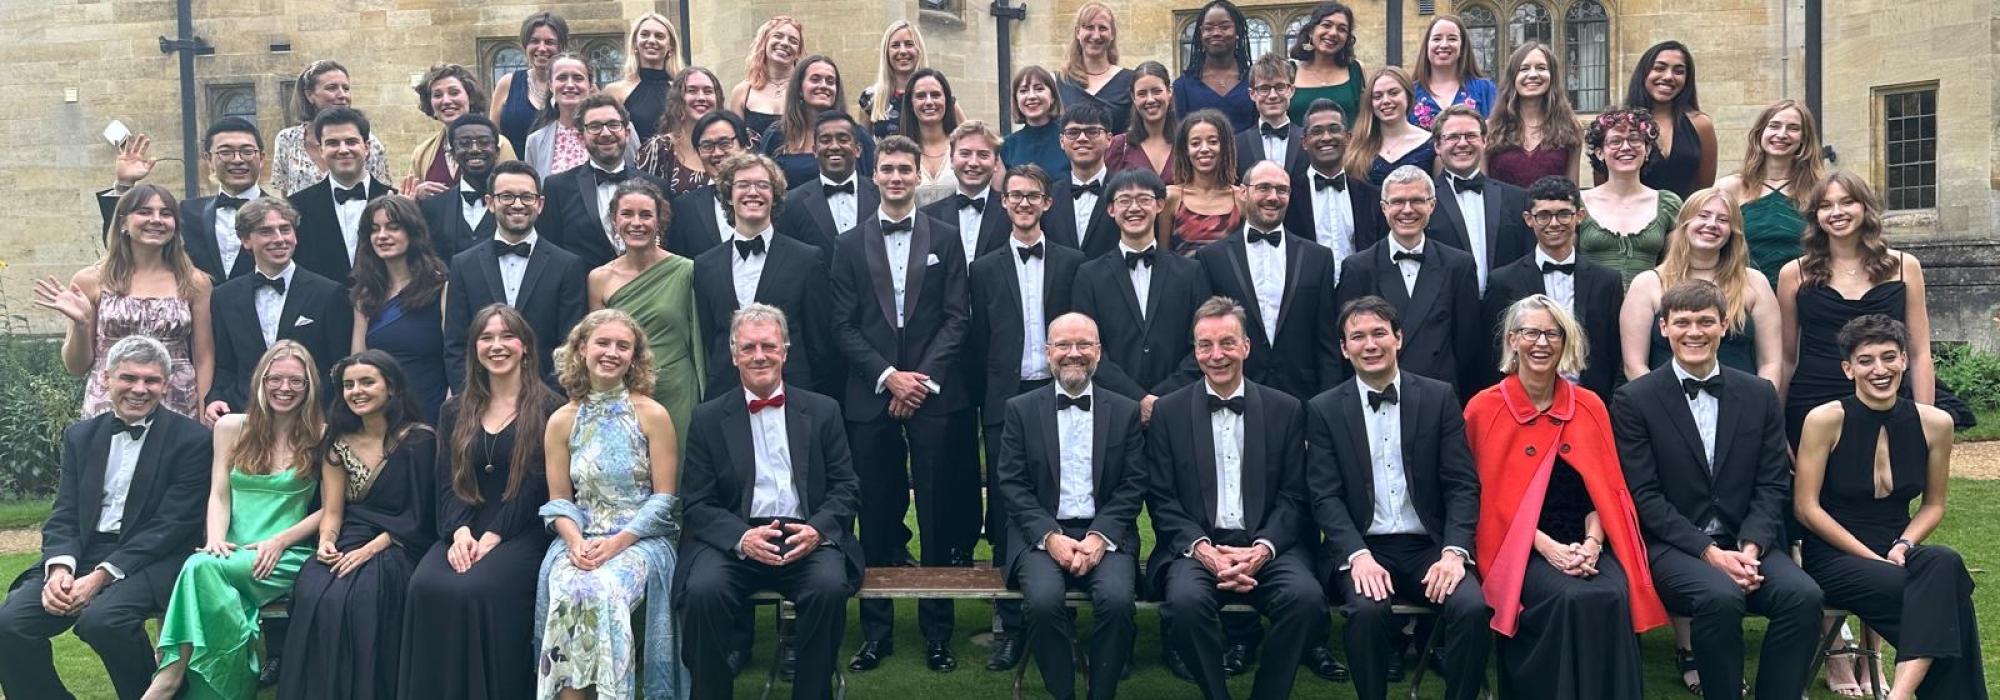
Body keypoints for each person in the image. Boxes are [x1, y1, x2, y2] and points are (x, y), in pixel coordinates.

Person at [1612, 280, 1825, 700]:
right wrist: (1709, 553)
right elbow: (1644, 495)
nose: (1695, 332)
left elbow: (1771, 483)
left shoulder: (1759, 394)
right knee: (1719, 596)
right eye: (1683, 322)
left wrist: (1748, 549)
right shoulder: (1633, 400)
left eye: (1706, 321)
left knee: (1804, 595)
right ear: (1663, 328)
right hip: (1673, 546)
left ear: (1724, 326)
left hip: (1746, 542)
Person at [1466, 295, 1666, 698]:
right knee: (1568, 596)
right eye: (1531, 333)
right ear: (1512, 340)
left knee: (1611, 592)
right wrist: (1548, 548)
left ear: (1565, 342)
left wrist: (1592, 544)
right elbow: (1483, 502)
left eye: (1553, 334)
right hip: (1519, 547)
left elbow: (1604, 491)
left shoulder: (1590, 406)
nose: (1542, 343)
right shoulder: (1483, 409)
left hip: (1584, 538)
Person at [827, 135, 977, 673]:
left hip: (936, 398)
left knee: (936, 514)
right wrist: (889, 377)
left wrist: (921, 380)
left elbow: (958, 316)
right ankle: (877, 632)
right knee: (877, 514)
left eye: (904, 170)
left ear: (919, 176)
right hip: (870, 396)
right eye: (886, 169)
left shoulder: (947, 237)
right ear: (875, 176)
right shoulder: (848, 244)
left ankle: (939, 631)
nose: (895, 177)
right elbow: (842, 325)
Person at [0, 337, 210, 700]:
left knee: (103, 621)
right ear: (106, 379)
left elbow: (171, 526)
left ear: (166, 384)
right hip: (85, 551)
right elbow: (64, 513)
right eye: (129, 378)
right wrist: (60, 570)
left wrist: (98, 578)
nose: (140, 389)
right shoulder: (81, 436)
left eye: (152, 380)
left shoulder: (192, 440)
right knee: (10, 624)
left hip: (155, 558)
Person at [1794, 315, 1987, 699]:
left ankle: (1898, 693)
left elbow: (1933, 505)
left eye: (1889, 357)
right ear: (1849, 369)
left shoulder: (1936, 423)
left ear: (1904, 361)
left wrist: (1903, 545)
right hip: (1834, 554)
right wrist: (1869, 557)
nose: (1879, 370)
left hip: (1897, 549)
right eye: (1866, 360)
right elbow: (1806, 509)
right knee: (1948, 602)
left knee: (1945, 562)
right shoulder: (1825, 420)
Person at [678, 304, 864, 700]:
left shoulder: (823, 410)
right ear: (733, 355)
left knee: (828, 587)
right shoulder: (708, 418)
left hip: (804, 534)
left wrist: (817, 530)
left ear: (785, 351)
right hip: (736, 538)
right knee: (703, 591)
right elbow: (696, 502)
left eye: (768, 346)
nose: (759, 356)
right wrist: (741, 539)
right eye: (748, 348)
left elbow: (846, 486)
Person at [1308, 296, 1489, 700]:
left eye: (1378, 333)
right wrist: (1356, 555)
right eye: (1357, 337)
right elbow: (1324, 496)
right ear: (1343, 348)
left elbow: (1462, 484)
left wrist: (1455, 552)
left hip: (1429, 546)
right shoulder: (1323, 410)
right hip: (1365, 547)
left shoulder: (1439, 397)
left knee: (1472, 608)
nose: (1370, 345)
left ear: (1398, 338)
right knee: (1367, 611)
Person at [1146, 296, 1327, 700]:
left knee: (1306, 599)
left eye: (1227, 343)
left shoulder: (1286, 409)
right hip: (1198, 547)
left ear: (1246, 346)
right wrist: (1206, 551)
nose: (1217, 355)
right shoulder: (1168, 413)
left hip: (1266, 544)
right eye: (1205, 345)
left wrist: (1262, 550)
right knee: (1185, 605)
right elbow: (1161, 499)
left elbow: (1295, 495)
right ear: (1194, 352)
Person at [143, 341, 323, 700]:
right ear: (261, 380)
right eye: (275, 379)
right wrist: (215, 538)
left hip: (283, 554)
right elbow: (219, 494)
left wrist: (281, 540)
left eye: (296, 382)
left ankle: (167, 680)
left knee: (198, 570)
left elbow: (332, 509)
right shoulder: (230, 427)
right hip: (230, 549)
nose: (284, 388)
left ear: (309, 387)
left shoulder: (321, 434)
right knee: (209, 574)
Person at [398, 305, 557, 700]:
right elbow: (447, 482)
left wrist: (493, 537)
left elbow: (537, 488)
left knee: (476, 589)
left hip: (521, 529)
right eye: (486, 338)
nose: (496, 345)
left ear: (525, 347)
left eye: (506, 336)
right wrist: (461, 532)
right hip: (464, 524)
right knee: (425, 585)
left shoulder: (550, 408)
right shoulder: (455, 409)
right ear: (473, 349)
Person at [967, 164, 1086, 671]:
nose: (1022, 203)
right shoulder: (984, 267)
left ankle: (1067, 617)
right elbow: (978, 343)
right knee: (1005, 509)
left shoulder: (1073, 262)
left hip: (1062, 390)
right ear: (1004, 202)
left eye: (1032, 196)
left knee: (1064, 498)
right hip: (1004, 399)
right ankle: (1011, 626)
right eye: (1014, 196)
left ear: (1047, 203)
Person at [536, 309, 688, 699]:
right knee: (569, 587)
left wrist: (616, 543)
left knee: (601, 589)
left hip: (641, 540)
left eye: (623, 346)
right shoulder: (561, 421)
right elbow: (559, 502)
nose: (611, 352)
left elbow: (664, 500)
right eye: (602, 343)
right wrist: (575, 543)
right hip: (581, 539)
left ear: (634, 357)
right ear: (582, 348)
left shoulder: (652, 414)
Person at [994, 312, 1146, 700]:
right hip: (1039, 536)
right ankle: (1063, 693)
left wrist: (1100, 537)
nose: (1073, 354)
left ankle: (1102, 693)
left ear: (1099, 352)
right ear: (1048, 353)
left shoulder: (1125, 410)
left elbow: (1133, 485)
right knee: (1043, 605)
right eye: (1063, 345)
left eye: (1084, 345)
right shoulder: (1020, 409)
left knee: (1116, 602)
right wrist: (1051, 537)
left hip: (1105, 536)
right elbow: (1012, 483)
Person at [279, 350, 437, 700]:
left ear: (391, 387)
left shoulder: (419, 440)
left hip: (400, 542)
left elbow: (423, 516)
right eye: (348, 385)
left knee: (366, 595)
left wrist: (370, 550)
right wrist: (326, 541)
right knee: (314, 588)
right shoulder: (337, 443)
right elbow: (333, 510)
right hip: (351, 533)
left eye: (367, 382)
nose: (357, 391)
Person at [1778, 171, 1939, 445]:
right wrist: (1776, 428)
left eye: (1847, 202)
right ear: (1815, 216)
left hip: (1886, 395)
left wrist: (1924, 418)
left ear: (1865, 206)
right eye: (1826, 206)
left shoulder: (1904, 268)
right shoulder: (1794, 273)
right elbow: (1786, 358)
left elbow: (1920, 352)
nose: (1837, 212)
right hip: (1812, 400)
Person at [36, 184, 213, 420]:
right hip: (109, 401)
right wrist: (81, 325)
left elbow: (204, 357)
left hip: (176, 399)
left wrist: (202, 414)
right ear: (123, 223)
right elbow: (76, 367)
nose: (156, 219)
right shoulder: (90, 280)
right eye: (145, 212)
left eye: (166, 213)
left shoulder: (195, 282)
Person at [1197, 160, 1340, 402]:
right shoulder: (1212, 258)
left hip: (1303, 394)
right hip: (1235, 392)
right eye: (1263, 188)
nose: (1273, 197)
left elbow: (1327, 342)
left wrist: (1327, 405)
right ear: (1243, 192)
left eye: (1281, 190)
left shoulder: (1319, 258)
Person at [1072, 168, 1210, 417]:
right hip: (1114, 409)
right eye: (1124, 200)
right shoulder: (1089, 276)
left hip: (1179, 407)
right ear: (1111, 209)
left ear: (1159, 205)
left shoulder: (1191, 272)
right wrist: (1137, 399)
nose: (1134, 208)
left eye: (1144, 199)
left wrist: (1162, 399)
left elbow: (1202, 343)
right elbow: (1087, 348)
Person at [695, 153, 832, 400]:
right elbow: (710, 336)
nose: (753, 192)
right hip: (726, 394)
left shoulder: (807, 259)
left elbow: (819, 343)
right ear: (728, 195)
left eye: (762, 185)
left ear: (775, 195)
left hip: (793, 393)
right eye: (743, 185)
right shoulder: (705, 265)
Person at [442, 160, 589, 393]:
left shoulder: (568, 265)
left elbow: (570, 345)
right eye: (507, 196)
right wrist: (472, 399)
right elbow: (455, 344)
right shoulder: (463, 264)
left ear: (540, 204)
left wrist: (547, 401)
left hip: (546, 401)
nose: (518, 204)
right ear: (490, 203)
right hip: (480, 401)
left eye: (527, 197)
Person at [1334, 165, 1482, 395]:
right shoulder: (1358, 268)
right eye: (1397, 202)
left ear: (1432, 205)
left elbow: (1468, 346)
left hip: (1439, 397)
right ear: (1384, 208)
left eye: (1416, 201)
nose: (1407, 210)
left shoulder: (1459, 265)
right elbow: (1349, 342)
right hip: (1378, 393)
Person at [205, 197, 350, 419]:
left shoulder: (329, 294)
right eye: (266, 232)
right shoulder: (224, 296)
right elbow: (225, 366)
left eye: (285, 229)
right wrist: (215, 398)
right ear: (245, 240)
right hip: (246, 416)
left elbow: (338, 365)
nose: (279, 239)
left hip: (310, 418)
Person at [1619, 188, 1782, 385]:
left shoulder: (1755, 282)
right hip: (1666, 406)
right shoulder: (1648, 284)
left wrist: (1760, 405)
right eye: (1703, 216)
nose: (1712, 224)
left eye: (1723, 220)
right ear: (1684, 223)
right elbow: (1634, 365)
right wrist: (1660, 408)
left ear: (1733, 231)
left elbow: (1771, 363)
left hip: (1742, 406)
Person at [1483, 176, 1623, 398]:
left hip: (1590, 400)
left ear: (1579, 216)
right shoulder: (1503, 281)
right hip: (1523, 401)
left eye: (1563, 214)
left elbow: (1615, 352)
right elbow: (1495, 352)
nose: (1554, 223)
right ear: (1529, 219)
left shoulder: (1607, 281)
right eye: (1544, 215)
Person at [589, 179, 703, 444]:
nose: (636, 223)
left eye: (646, 215)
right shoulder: (598, 279)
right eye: (627, 214)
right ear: (615, 221)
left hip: (676, 389)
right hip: (621, 391)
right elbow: (596, 345)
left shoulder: (686, 271)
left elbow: (699, 340)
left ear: (659, 221)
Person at [95, 119, 267, 282]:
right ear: (208, 159)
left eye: (247, 151)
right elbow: (125, 245)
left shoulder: (286, 214)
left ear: (262, 158)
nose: (237, 160)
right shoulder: (186, 212)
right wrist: (124, 185)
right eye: (225, 152)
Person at [538, 94, 669, 268]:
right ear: (581, 136)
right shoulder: (557, 187)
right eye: (595, 126)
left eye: (613, 125)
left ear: (627, 133)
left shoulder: (658, 186)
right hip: (583, 291)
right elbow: (550, 252)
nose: (606, 133)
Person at [351, 195, 450, 423]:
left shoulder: (441, 287)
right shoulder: (365, 295)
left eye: (393, 228)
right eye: (375, 230)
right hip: (380, 415)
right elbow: (358, 361)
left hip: (431, 411)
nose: (382, 236)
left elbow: (454, 357)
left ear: (412, 232)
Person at [1717, 100, 1826, 285]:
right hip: (1744, 293)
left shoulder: (1820, 189)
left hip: (1806, 293)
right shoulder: (1729, 188)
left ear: (1804, 138)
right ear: (1761, 132)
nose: (1782, 134)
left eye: (1793, 128)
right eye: (1774, 126)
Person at [1426, 104, 1532, 293]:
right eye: (1452, 137)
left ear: (1484, 141)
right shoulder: (1424, 203)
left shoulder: (1518, 199)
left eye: (1471, 136)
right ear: (1437, 146)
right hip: (1447, 313)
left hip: (1504, 310)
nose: (1462, 143)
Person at [289, 107, 397, 285]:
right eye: (332, 143)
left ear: (367, 147)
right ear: (321, 149)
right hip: (323, 309)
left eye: (351, 141)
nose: (343, 149)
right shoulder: (297, 205)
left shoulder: (394, 199)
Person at [1578, 108, 1683, 287]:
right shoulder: (1579, 202)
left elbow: (1676, 266)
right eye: (1615, 141)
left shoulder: (1667, 204)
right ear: (1599, 153)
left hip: (1650, 307)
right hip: (1590, 309)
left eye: (1634, 139)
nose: (1626, 147)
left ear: (1647, 150)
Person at [1285, 98, 1386, 280]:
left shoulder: (1372, 197)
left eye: (1334, 129)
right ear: (1305, 142)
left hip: (1361, 297)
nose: (1326, 137)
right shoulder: (1287, 196)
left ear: (1348, 138)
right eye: (1317, 131)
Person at [272, 60, 391, 195]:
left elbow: (382, 196)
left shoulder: (369, 143)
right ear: (309, 95)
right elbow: (286, 196)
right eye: (332, 88)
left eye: (346, 88)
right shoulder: (287, 140)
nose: (342, 95)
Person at [773, 111, 878, 256]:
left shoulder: (880, 195)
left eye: (843, 139)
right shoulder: (792, 203)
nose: (834, 146)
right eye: (825, 140)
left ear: (858, 150)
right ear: (815, 151)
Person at [1618, 41, 1716, 198]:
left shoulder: (1701, 125)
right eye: (1659, 68)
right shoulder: (1618, 125)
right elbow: (1605, 186)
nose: (1669, 76)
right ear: (1644, 73)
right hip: (1628, 219)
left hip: (1683, 219)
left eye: (1679, 71)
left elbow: (1703, 191)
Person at [763, 55, 877, 189]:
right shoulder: (777, 135)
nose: (823, 85)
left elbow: (873, 184)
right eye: (815, 79)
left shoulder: (858, 135)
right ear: (799, 88)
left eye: (830, 81)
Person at [406, 64, 518, 199]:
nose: (446, 100)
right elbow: (407, 204)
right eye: (437, 95)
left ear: (470, 97)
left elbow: (515, 192)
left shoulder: (500, 144)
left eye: (454, 93)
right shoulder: (422, 153)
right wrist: (416, 195)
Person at [1486, 42, 1584, 189]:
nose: (1532, 75)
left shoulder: (1571, 128)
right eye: (1524, 68)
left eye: (1541, 68)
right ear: (1513, 77)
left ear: (1552, 76)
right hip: (1502, 212)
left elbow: (1572, 189)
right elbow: (1483, 190)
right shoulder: (1489, 128)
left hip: (1551, 212)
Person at [667, 110, 760, 256]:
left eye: (724, 144)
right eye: (707, 146)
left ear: (744, 145)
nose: (717, 153)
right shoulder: (684, 208)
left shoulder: (771, 198)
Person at [920, 120, 1012, 266]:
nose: (973, 162)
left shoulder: (1011, 213)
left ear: (996, 163)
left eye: (983, 155)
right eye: (965, 154)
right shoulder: (927, 217)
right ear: (951, 159)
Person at [524, 53, 627, 180]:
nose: (570, 84)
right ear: (550, 85)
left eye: (578, 78)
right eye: (562, 78)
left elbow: (636, 178)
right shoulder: (535, 141)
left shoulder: (618, 129)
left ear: (590, 84)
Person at [418, 114, 506, 258]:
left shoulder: (513, 203)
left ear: (497, 152)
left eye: (484, 142)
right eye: (464, 143)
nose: (475, 149)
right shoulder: (433, 206)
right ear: (452, 153)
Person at [636, 66, 733, 195]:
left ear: (718, 98)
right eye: (692, 91)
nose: (701, 97)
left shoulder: (741, 140)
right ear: (678, 99)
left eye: (708, 91)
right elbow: (643, 200)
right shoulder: (659, 149)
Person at [1043, 103, 1120, 257]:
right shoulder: (1047, 196)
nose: (1082, 138)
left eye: (1092, 131)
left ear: (1109, 139)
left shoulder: (1125, 192)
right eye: (1073, 132)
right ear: (1061, 141)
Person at [1165, 110, 1245, 256]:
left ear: (1225, 146)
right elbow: (1163, 256)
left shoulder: (1241, 198)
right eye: (1195, 143)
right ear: (1186, 150)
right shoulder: (1171, 197)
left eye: (1213, 142)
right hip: (1184, 278)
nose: (1204, 149)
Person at [491, 12, 570, 155]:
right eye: (534, 41)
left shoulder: (576, 86)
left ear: (561, 47)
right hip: (514, 173)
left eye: (549, 42)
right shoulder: (507, 84)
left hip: (563, 174)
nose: (541, 48)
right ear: (525, 45)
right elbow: (493, 138)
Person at [1343, 67, 1436, 186]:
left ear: (1408, 95)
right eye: (1377, 96)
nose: (1385, 101)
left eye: (1393, 93)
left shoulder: (1430, 144)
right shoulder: (1358, 146)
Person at [1173, 0, 1256, 132]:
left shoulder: (1254, 80)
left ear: (1237, 31)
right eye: (1209, 28)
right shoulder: (1183, 86)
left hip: (1248, 153)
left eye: (1224, 27)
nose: (1216, 33)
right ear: (1201, 33)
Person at [602, 13, 683, 145]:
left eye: (659, 36)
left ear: (671, 47)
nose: (651, 40)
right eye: (644, 35)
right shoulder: (615, 92)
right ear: (635, 43)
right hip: (633, 164)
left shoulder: (683, 90)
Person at [1057, 3, 1136, 135]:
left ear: (1112, 34)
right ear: (1078, 33)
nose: (1096, 35)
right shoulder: (1060, 81)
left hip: (1117, 155)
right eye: (1089, 27)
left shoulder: (1130, 81)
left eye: (1103, 28)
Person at [1286, 2, 1365, 126]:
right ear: (1311, 31)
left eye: (1342, 29)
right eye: (1326, 25)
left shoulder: (1356, 70)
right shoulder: (1289, 71)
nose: (1333, 33)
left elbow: (1365, 121)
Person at [1409, 15, 1496, 127]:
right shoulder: (1410, 93)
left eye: (1452, 39)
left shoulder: (1485, 90)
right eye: (1437, 38)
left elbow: (1497, 135)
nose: (1444, 45)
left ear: (1462, 47)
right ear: (1427, 46)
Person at [730, 16, 805, 138]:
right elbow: (735, 144)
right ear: (765, 41)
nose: (785, 43)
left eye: (793, 41)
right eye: (778, 36)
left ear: (798, 52)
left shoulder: (805, 91)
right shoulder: (742, 92)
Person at [898, 68, 963, 207]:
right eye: (921, 96)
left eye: (935, 95)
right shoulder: (900, 152)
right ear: (911, 103)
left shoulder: (963, 148)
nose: (929, 102)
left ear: (947, 100)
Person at [1104, 61, 1177, 183]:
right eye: (1142, 94)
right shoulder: (1120, 146)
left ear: (1169, 92)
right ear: (1133, 98)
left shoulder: (1187, 144)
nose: (1150, 100)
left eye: (1156, 91)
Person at [1235, 53, 1305, 177]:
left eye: (1280, 87)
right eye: (1264, 88)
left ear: (1291, 90)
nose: (1272, 95)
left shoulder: (1308, 140)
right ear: (1252, 94)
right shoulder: (1237, 144)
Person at [860, 20, 928, 139]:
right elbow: (863, 147)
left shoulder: (937, 97)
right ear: (886, 52)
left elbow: (965, 137)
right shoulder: (871, 98)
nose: (902, 51)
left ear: (919, 50)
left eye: (909, 44)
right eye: (895, 45)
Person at [1002, 65, 1071, 182]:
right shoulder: (1007, 146)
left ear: (1053, 97)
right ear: (1016, 100)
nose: (1032, 96)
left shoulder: (1070, 137)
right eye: (1023, 91)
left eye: (1039, 89)